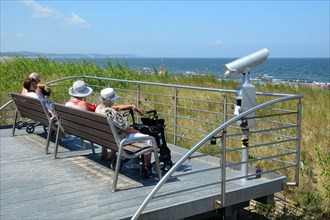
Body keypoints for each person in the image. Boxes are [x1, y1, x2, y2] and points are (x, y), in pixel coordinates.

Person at [95, 87, 153, 178]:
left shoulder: (98, 108)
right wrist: (138, 132)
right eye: (113, 100)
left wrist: (130, 106)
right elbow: (126, 129)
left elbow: (113, 108)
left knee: (136, 136)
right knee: (149, 139)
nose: (114, 102)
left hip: (108, 138)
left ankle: (135, 163)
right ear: (110, 101)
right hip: (120, 139)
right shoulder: (112, 113)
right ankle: (147, 167)